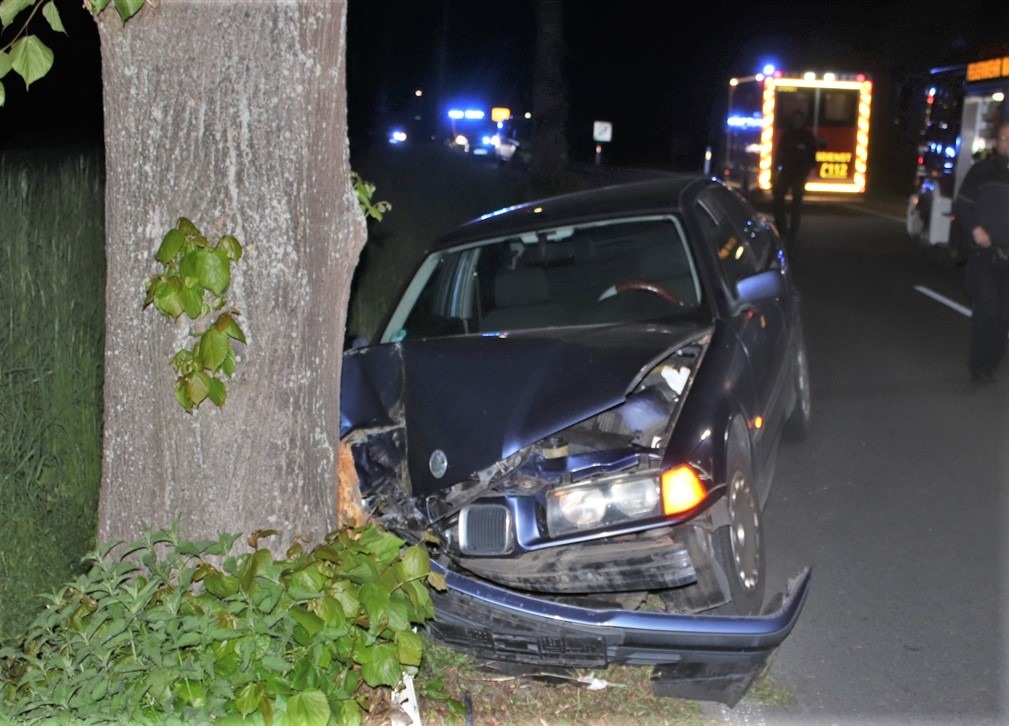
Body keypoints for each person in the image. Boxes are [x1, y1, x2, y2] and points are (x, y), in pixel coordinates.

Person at [952, 121, 1009, 385]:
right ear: (996, 141)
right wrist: (975, 230)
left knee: (1003, 316)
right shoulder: (983, 171)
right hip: (984, 256)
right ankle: (978, 366)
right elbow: (962, 204)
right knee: (986, 310)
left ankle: (991, 363)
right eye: (1003, 137)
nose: (1007, 143)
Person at [772, 110, 818, 247]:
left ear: (802, 121)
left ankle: (793, 231)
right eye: (795, 119)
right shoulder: (787, 135)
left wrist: (810, 168)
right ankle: (782, 228)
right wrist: (775, 170)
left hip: (800, 173)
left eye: (799, 119)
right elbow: (779, 153)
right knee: (778, 199)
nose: (797, 121)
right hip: (786, 171)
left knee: (797, 203)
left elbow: (812, 153)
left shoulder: (807, 136)